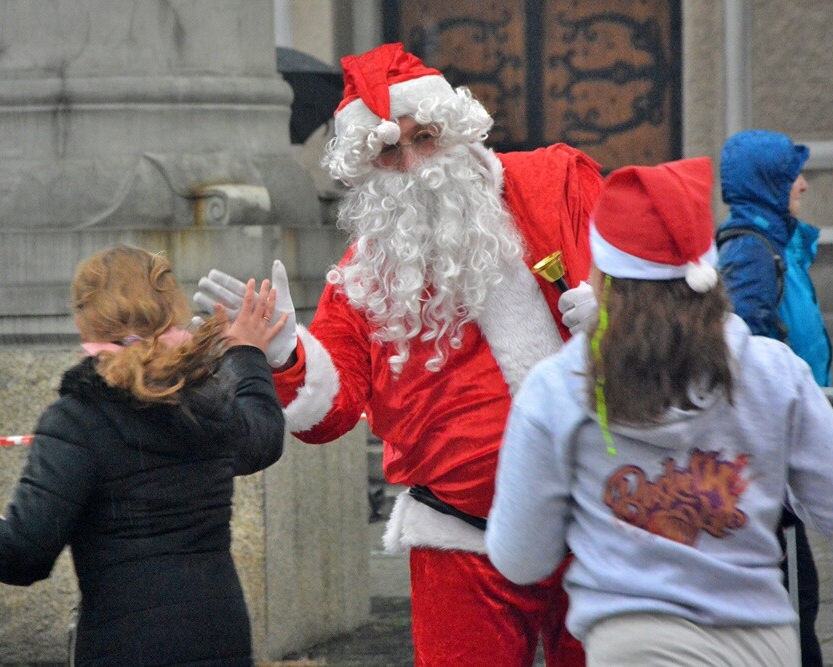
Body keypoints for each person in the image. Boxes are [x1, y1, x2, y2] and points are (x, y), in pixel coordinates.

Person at [194, 42, 603, 666]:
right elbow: (332, 412)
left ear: (459, 130)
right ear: (367, 169)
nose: (411, 163)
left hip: (595, 523)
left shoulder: (556, 184)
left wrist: (615, 322)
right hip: (462, 543)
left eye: (425, 137)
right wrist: (283, 351)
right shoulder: (363, 277)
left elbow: (654, 283)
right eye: (388, 150)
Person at [485, 156, 833, 666]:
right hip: (761, 642)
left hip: (631, 644)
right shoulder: (773, 373)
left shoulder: (558, 388)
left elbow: (520, 559)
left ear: (602, 274)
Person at [0, 244, 287, 666]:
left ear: (82, 321)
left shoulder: (76, 419)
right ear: (172, 310)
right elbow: (263, 439)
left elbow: (24, 553)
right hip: (219, 635)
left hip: (125, 643)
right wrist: (246, 352)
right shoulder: (207, 400)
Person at [717, 128, 832, 665]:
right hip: (771, 455)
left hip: (785, 446)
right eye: (792, 175)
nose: (803, 185)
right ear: (768, 183)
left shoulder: (776, 244)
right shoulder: (751, 251)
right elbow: (749, 345)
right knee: (791, 601)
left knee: (798, 599)